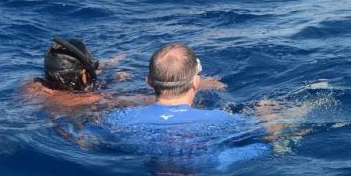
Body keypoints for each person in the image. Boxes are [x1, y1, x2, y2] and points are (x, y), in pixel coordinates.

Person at [103, 42, 249, 135]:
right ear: (196, 82)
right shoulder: (224, 120)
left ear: (148, 81)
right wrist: (266, 114)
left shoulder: (117, 120)